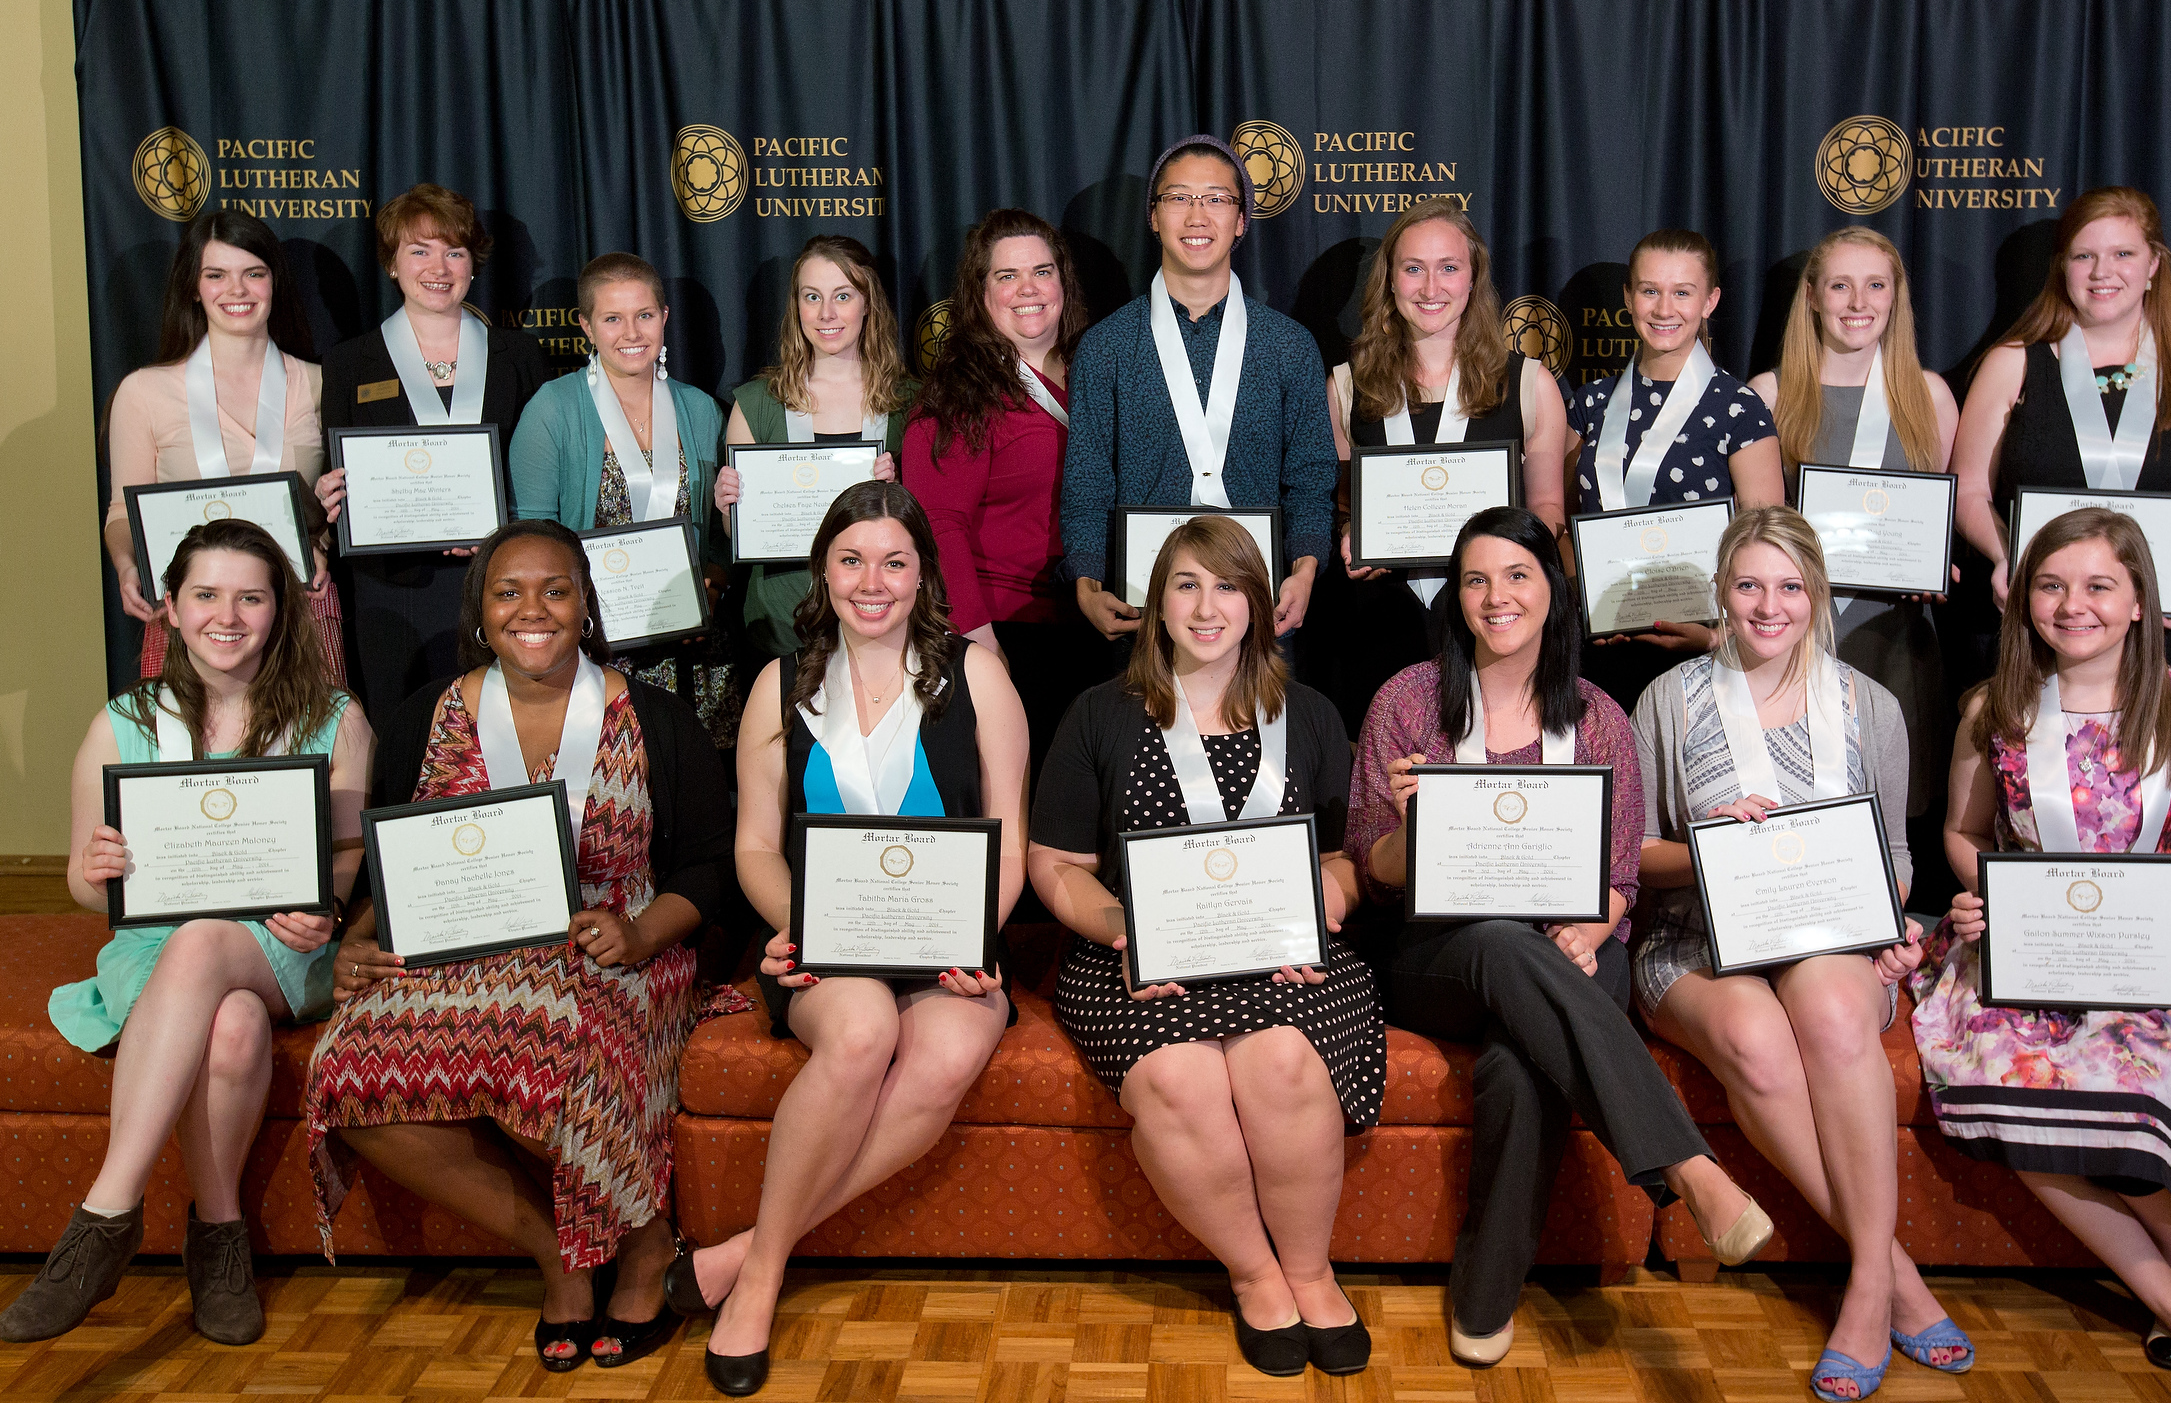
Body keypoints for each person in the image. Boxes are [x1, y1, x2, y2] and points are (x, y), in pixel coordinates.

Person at [1910, 509, 2171, 1402]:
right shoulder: (1998, 708)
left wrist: (2167, 926)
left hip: (2153, 940)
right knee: (2015, 1083)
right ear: (2026, 600)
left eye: (2099, 584)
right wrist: (1988, 889)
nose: (2074, 605)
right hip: (2021, 948)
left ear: (2141, 599)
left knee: (2155, 1073)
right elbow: (1960, 830)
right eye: (2053, 586)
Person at [303, 521, 738, 1373]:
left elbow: (711, 865)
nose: (532, 609)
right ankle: (558, 1252)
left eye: (556, 589)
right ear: (480, 609)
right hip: (458, 956)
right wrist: (354, 945)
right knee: (345, 1066)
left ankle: (647, 1244)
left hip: (613, 950)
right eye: (509, 591)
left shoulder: (652, 717)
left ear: (585, 605)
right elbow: (391, 866)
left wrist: (643, 931)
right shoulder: (426, 713)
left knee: (568, 1049)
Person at [1349, 506, 1773, 1367]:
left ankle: (1484, 1288)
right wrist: (1407, 826)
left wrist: (1592, 925)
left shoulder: (1598, 718)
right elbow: (1371, 872)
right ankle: (1687, 1166)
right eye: (1476, 578)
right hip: (1440, 954)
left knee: (1520, 1058)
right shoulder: (1407, 700)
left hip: (1575, 948)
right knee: (1507, 946)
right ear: (1456, 595)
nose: (1496, 596)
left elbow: (1620, 873)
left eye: (1518, 575)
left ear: (1552, 590)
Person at [667, 483, 1029, 1396]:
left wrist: (980, 936)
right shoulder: (778, 684)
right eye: (853, 559)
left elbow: (1009, 835)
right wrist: (796, 923)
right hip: (825, 942)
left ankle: (754, 1251)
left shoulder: (977, 673)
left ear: (923, 576)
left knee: (945, 1052)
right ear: (823, 570)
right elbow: (755, 844)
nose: (874, 582)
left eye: (895, 562)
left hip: (950, 941)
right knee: (863, 1031)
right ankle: (758, 1283)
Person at [0, 519, 369, 1346]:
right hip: (152, 947)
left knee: (205, 942)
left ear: (282, 609)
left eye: (251, 596)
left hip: (282, 948)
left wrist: (324, 912)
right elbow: (79, 884)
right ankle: (221, 1238)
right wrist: (95, 873)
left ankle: (106, 1213)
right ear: (169, 606)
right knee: (231, 1029)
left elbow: (336, 883)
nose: (227, 615)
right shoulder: (123, 721)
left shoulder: (336, 720)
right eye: (205, 594)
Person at [1628, 507, 1964, 1400]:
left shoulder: (1869, 703)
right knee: (1754, 1037)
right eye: (1748, 585)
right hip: (1696, 938)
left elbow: (1894, 854)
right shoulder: (1669, 698)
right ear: (1721, 594)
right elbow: (1632, 855)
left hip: (1828, 933)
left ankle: (1863, 1291)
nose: (1768, 605)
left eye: (1788, 585)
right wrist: (1704, 838)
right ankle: (1890, 1270)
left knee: (1826, 1007)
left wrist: (1886, 927)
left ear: (1815, 593)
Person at [1030, 517, 1375, 1377]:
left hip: (1284, 955)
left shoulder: (1313, 714)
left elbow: (1340, 855)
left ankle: (1311, 1269)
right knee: (1180, 1074)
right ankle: (1256, 1274)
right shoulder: (1099, 713)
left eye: (1226, 586)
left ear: (1258, 604)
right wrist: (1125, 931)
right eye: (1185, 584)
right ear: (1157, 601)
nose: (1206, 605)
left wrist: (1321, 903)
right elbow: (1058, 865)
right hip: (1137, 958)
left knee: (1282, 1062)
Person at [1951, 187, 2171, 689]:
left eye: (2123, 254)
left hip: (2165, 621)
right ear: (2062, 266)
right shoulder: (2011, 363)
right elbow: (1968, 492)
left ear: (2154, 264)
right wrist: (2008, 555)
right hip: (2043, 619)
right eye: (2084, 256)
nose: (2102, 272)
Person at [1059, 136, 1337, 647]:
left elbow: (1311, 475)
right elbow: (1088, 478)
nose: (1197, 215)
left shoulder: (1290, 346)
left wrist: (1305, 570)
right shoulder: (1106, 346)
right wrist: (1086, 583)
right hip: (1143, 605)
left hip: (1258, 603)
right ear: (1153, 216)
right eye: (1179, 197)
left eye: (1216, 198)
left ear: (1242, 220)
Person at [1749, 229, 1959, 848]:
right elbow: (1756, 529)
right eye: (1840, 284)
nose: (1857, 301)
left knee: (1891, 817)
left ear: (1896, 299)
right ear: (1812, 296)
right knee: (1790, 809)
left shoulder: (1930, 395)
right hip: (1790, 637)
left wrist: (1934, 562)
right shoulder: (1771, 393)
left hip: (1893, 638)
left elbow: (1935, 516)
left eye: (1876, 285)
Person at [1327, 199, 1570, 727]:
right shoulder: (1347, 384)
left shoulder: (1528, 383)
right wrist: (1351, 534)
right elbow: (1346, 506)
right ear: (1389, 280)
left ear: (1473, 278)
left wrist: (1507, 553)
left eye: (1449, 268)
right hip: (1383, 623)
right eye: (1413, 268)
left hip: (1495, 620)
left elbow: (1549, 508)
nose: (1431, 288)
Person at [315, 185, 549, 719]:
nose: (438, 267)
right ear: (392, 264)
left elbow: (538, 468)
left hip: (501, 580)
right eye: (419, 250)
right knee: (404, 730)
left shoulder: (519, 353)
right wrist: (330, 496)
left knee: (503, 727)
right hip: (392, 591)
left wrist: (500, 523)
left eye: (454, 252)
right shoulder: (350, 362)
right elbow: (338, 471)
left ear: (473, 264)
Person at [103, 208, 344, 682]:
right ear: (194, 287)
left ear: (273, 282)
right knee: (194, 751)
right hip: (193, 616)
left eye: (253, 274)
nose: (237, 291)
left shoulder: (321, 384)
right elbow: (121, 512)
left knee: (312, 751)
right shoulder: (143, 392)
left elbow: (331, 506)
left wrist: (325, 532)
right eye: (217, 275)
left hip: (298, 605)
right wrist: (127, 566)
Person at [903, 209, 1105, 770]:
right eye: (1007, 276)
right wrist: (982, 649)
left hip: (1104, 625)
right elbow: (938, 526)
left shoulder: (1102, 367)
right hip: (1012, 632)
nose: (1028, 290)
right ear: (980, 291)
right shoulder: (958, 393)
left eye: (1042, 271)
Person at [512, 253, 738, 746]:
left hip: (693, 649)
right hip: (594, 647)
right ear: (586, 327)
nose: (631, 332)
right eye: (612, 318)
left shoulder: (700, 410)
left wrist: (712, 588)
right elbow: (531, 541)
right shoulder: (552, 410)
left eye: (644, 315)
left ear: (665, 318)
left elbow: (722, 530)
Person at [1563, 229, 1781, 711]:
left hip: (1701, 658)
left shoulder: (1740, 408)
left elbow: (1771, 544)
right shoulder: (1589, 403)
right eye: (1649, 291)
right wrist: (1582, 602)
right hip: (1595, 649)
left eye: (1683, 292)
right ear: (1628, 297)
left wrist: (1718, 636)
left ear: (1711, 300)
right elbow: (1562, 522)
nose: (1665, 309)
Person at [714, 236, 908, 660]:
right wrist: (730, 508)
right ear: (796, 307)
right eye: (812, 297)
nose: (827, 314)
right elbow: (735, 534)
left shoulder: (909, 402)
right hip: (783, 625)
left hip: (882, 619)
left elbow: (934, 525)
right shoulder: (757, 402)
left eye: (843, 296)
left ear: (868, 303)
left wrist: (897, 496)